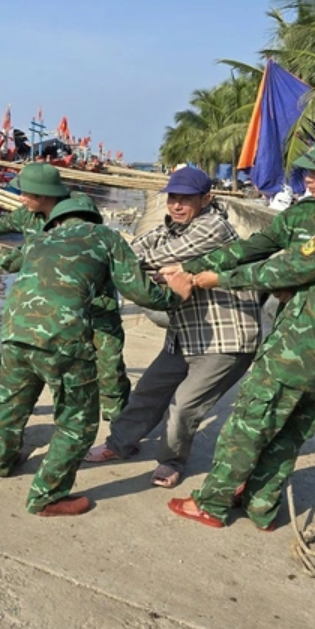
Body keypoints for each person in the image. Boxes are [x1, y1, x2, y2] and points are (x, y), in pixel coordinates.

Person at [170, 132, 315, 550]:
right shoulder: (306, 217)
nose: (312, 179)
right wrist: (191, 266)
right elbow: (260, 249)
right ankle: (262, 504)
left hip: (304, 352)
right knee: (291, 432)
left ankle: (212, 503)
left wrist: (213, 279)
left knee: (250, 426)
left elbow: (280, 270)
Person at [0, 186, 193, 517]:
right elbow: (140, 292)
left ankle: (0, 463)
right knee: (77, 422)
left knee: (11, 404)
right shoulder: (105, 237)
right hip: (62, 340)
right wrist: (175, 295)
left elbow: (10, 260)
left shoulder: (39, 240)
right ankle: (46, 497)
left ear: (56, 220)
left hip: (14, 334)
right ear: (93, 219)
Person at [84, 167, 261, 488]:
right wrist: (148, 268)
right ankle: (119, 444)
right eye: (173, 198)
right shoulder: (168, 228)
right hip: (185, 334)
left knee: (184, 407)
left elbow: (154, 259)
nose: (177, 205)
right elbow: (130, 254)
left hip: (226, 340)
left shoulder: (214, 227)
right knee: (147, 392)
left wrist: (147, 268)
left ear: (206, 199)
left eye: (186, 199)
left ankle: (171, 460)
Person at [0, 163, 132, 421]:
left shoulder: (77, 213)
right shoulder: (27, 216)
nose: (20, 198)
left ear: (43, 194)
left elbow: (39, 258)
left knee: (109, 364)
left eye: (25, 193)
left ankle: (116, 422)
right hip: (49, 304)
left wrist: (3, 256)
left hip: (95, 302)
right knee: (35, 361)